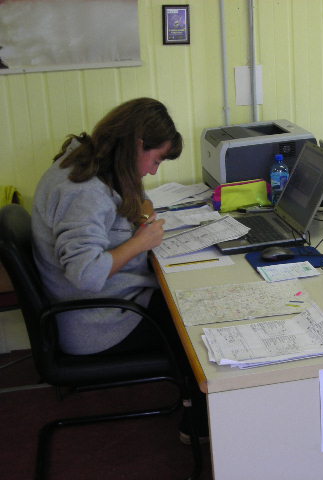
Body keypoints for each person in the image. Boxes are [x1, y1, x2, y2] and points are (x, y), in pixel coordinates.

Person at [31, 97, 206, 444]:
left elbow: (132, 201)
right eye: (155, 160)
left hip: (109, 303)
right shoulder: (83, 191)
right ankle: (198, 425)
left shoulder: (90, 157)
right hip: (98, 323)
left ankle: (194, 399)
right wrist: (140, 242)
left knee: (186, 305)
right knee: (195, 328)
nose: (154, 171)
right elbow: (85, 273)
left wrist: (141, 212)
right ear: (138, 143)